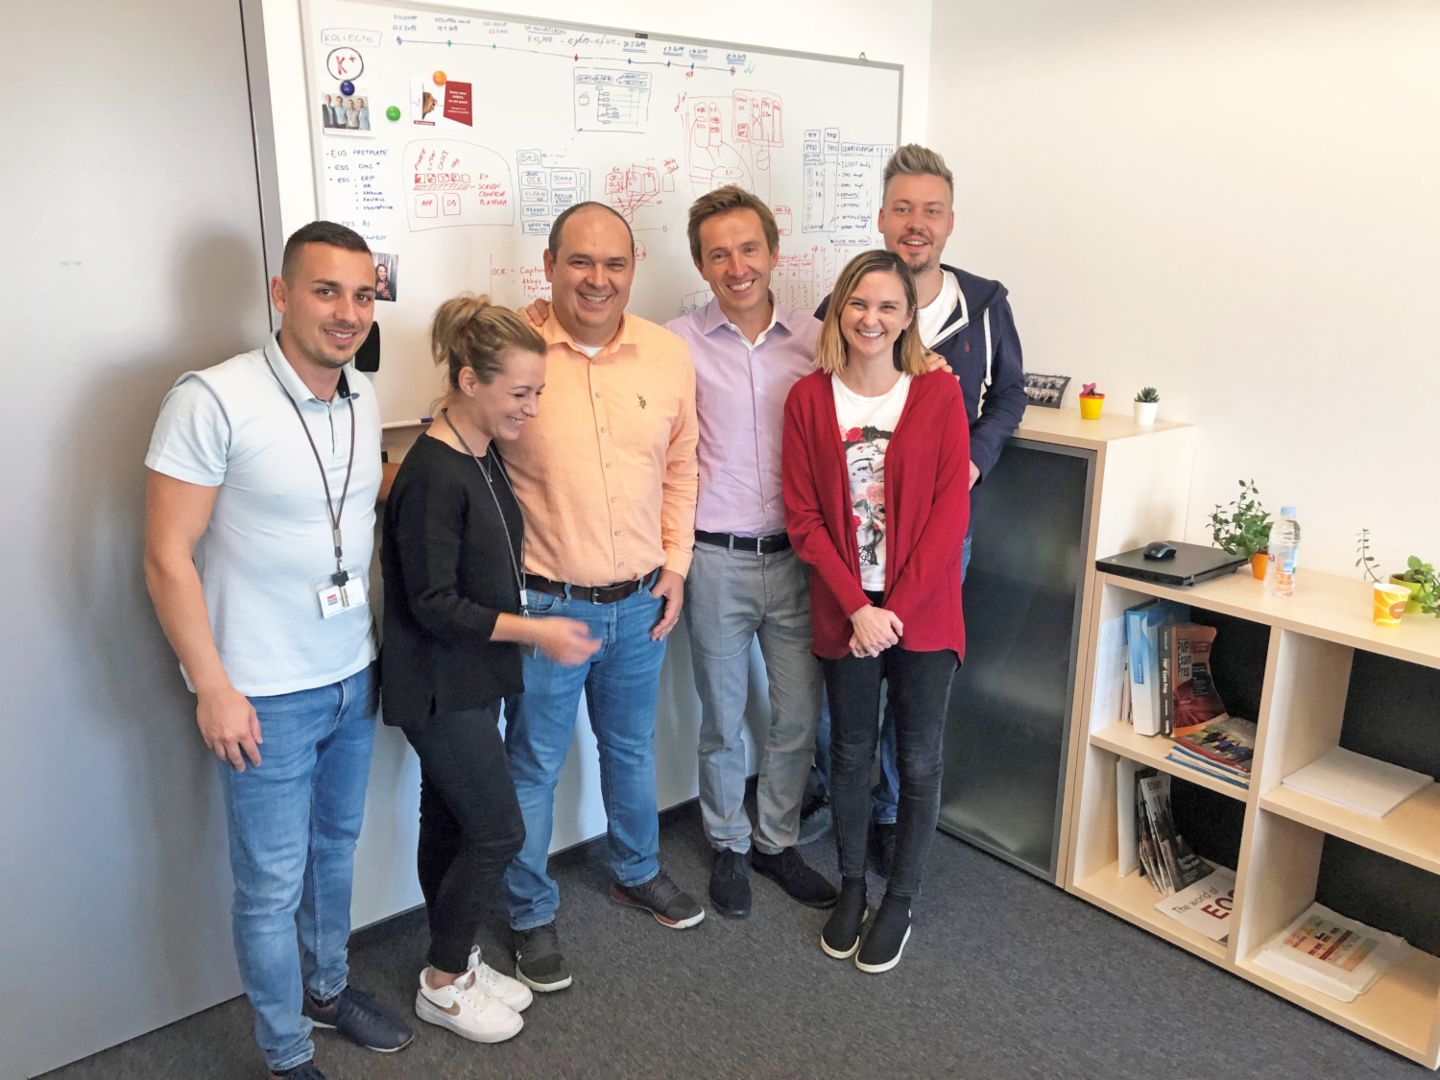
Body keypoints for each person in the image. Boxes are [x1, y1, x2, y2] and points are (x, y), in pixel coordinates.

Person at [143, 221, 412, 1080]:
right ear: (281, 294)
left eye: (363, 295)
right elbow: (165, 556)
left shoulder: (363, 396)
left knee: (337, 850)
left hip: (348, 673)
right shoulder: (211, 399)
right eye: (327, 291)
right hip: (261, 691)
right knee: (268, 884)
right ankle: (285, 1051)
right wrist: (210, 686)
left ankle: (327, 992)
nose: (347, 313)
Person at [382, 295, 600, 1044]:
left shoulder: (481, 453)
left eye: (538, 392)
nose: (532, 409)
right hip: (437, 684)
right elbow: (434, 602)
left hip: (477, 676)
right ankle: (441, 982)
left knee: (450, 822)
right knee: (497, 830)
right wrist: (537, 632)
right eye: (520, 393)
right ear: (469, 381)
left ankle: (457, 961)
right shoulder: (433, 472)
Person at [807, 144, 1027, 873]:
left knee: (916, 689)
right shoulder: (846, 304)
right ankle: (855, 809)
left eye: (930, 210)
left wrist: (973, 459)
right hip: (851, 546)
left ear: (950, 222)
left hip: (939, 528)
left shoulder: (985, 306)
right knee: (852, 695)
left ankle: (899, 817)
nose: (916, 222)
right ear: (881, 217)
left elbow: (1009, 397)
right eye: (902, 208)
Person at [501, 201, 702, 992]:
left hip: (641, 602)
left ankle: (637, 867)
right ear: (548, 266)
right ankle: (527, 911)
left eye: (614, 264)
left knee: (629, 748)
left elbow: (683, 465)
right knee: (534, 765)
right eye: (579, 262)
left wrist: (677, 566)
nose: (597, 279)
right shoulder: (511, 350)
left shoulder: (665, 354)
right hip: (548, 607)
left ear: (633, 268)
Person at [783, 249, 971, 974]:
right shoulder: (808, 399)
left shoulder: (936, 395)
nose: (871, 318)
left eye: (888, 306)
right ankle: (853, 887)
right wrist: (859, 608)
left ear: (907, 318)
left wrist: (894, 608)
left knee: (918, 759)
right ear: (840, 308)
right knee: (851, 755)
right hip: (846, 612)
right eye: (859, 303)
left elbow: (949, 515)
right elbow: (803, 518)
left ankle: (902, 898)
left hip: (922, 616)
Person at [667, 187, 837, 918]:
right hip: (716, 560)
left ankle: (776, 839)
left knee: (798, 715)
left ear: (774, 252)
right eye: (718, 254)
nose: (736, 266)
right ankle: (729, 844)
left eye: (748, 249)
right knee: (723, 719)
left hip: (801, 558)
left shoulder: (815, 338)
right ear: (702, 265)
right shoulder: (674, 343)